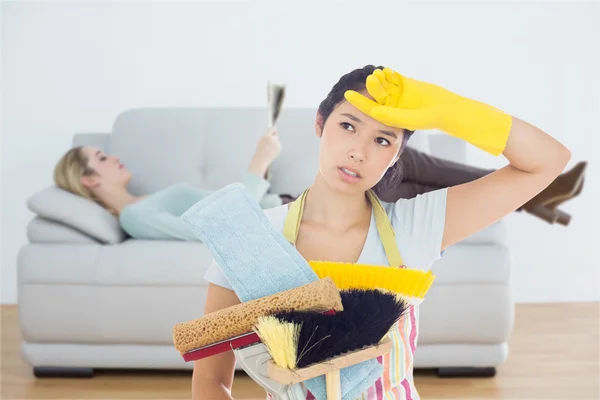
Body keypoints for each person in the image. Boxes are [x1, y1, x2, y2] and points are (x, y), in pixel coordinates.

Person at [192, 65, 573, 400]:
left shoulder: (416, 226)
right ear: (320, 124)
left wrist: (450, 110)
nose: (359, 151)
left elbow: (547, 162)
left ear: (397, 155)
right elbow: (211, 383)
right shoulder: (250, 240)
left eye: (382, 139)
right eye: (347, 126)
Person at [53, 127, 292, 241]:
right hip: (284, 218)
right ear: (90, 179)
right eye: (102, 158)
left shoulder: (144, 202)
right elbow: (217, 230)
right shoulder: (133, 216)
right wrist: (258, 162)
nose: (114, 158)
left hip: (283, 206)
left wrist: (262, 169)